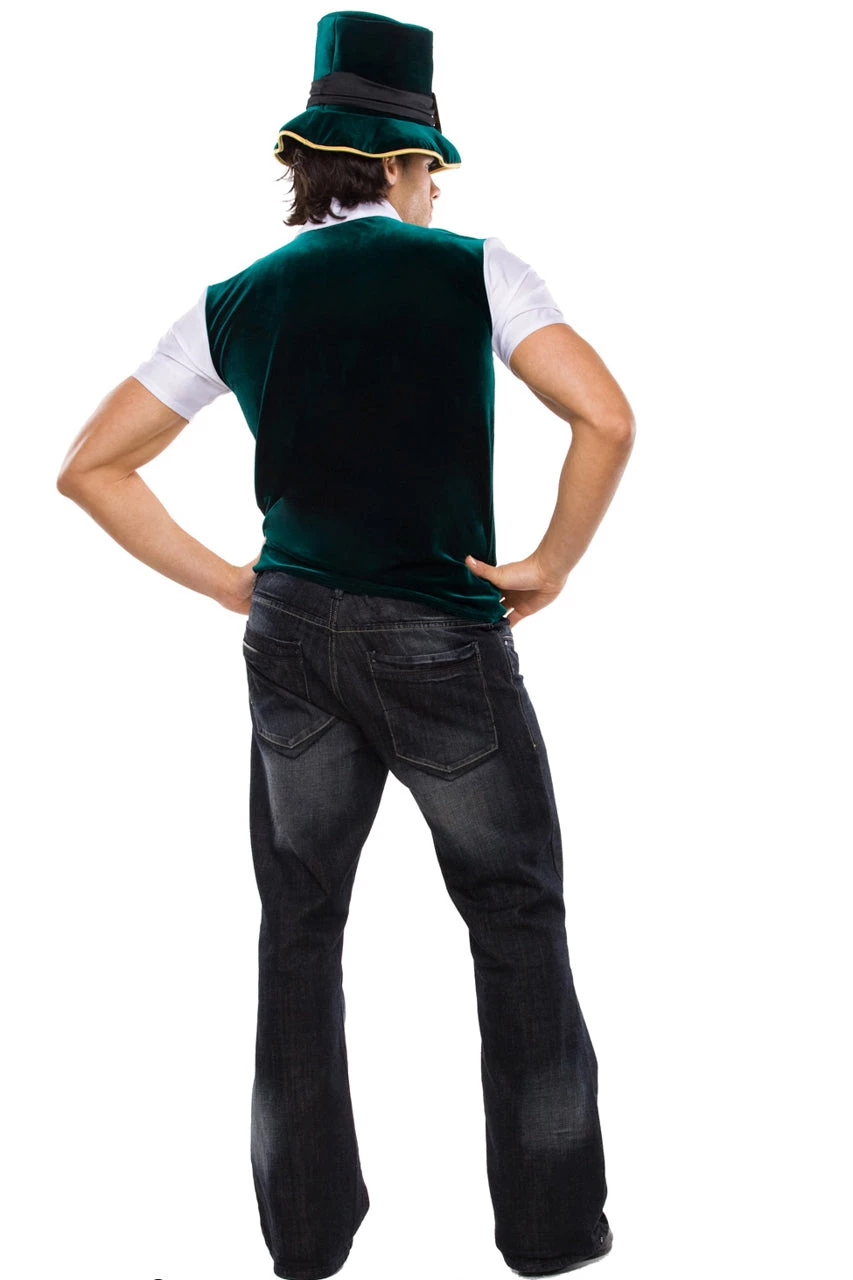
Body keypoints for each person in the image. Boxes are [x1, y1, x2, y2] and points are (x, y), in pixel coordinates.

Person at [56, 11, 635, 1279]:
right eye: (433, 167)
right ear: (406, 162)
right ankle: (548, 1231)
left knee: (300, 922)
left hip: (291, 638)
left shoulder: (235, 299)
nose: (438, 191)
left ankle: (307, 1235)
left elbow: (90, 466)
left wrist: (233, 581)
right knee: (515, 912)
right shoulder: (478, 270)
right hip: (441, 637)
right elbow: (604, 415)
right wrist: (550, 560)